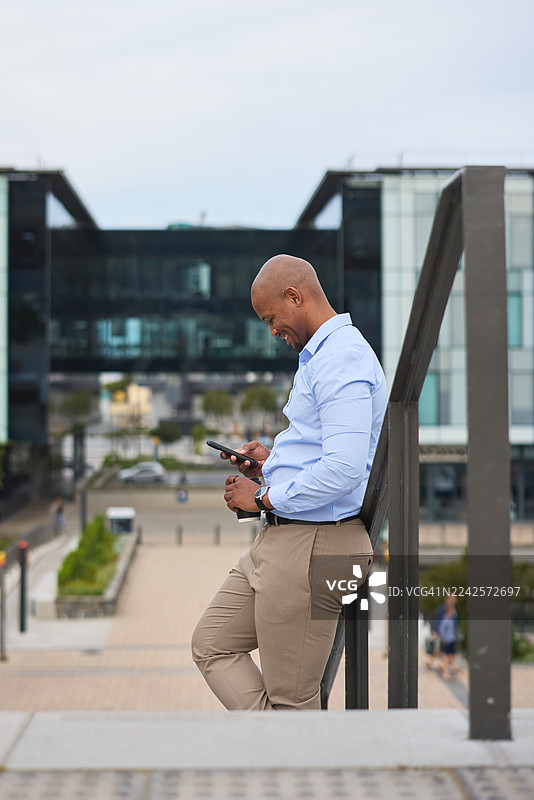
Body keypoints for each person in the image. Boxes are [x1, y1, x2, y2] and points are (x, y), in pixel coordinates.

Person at [191, 254, 387, 710]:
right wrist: (271, 463)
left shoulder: (342, 359)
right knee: (212, 644)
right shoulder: (320, 357)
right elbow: (323, 451)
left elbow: (343, 468)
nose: (273, 331)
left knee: (291, 704)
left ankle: (292, 761)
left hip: (312, 546)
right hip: (286, 540)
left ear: (295, 297)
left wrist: (262, 497)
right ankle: (279, 751)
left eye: (272, 318)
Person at [433, 594, 460, 680]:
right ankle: (445, 672)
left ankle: (449, 668)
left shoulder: (452, 610)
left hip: (450, 637)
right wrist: (438, 633)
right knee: (448, 655)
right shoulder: (444, 611)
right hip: (448, 638)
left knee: (451, 654)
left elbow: (452, 625)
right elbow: (441, 625)